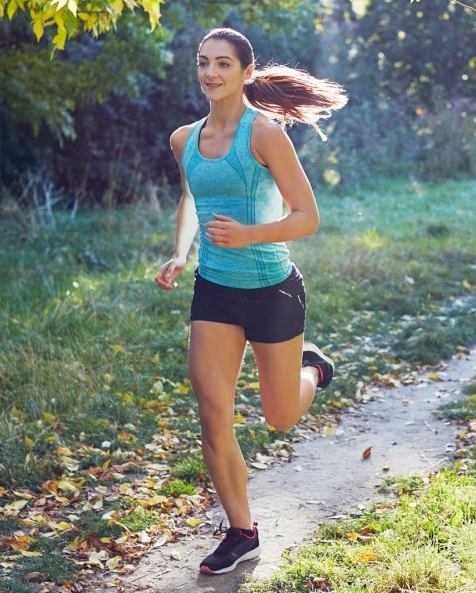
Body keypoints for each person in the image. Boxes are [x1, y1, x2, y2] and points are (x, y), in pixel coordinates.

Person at [153, 27, 347, 576]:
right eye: (203, 62)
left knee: (281, 417)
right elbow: (193, 194)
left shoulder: (263, 135)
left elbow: (307, 218)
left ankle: (311, 367)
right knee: (213, 413)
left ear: (244, 72)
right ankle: (242, 532)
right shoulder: (183, 139)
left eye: (222, 64)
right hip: (215, 290)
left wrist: (248, 235)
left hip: (271, 288)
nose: (210, 73)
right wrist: (179, 253)